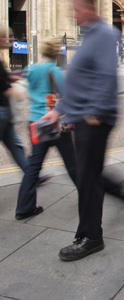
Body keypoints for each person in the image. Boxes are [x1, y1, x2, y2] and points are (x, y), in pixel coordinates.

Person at [44, 0, 124, 262]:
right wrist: (58, 111)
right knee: (87, 177)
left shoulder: (103, 34)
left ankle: (91, 237)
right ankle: (87, 233)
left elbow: (106, 76)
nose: (73, 13)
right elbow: (78, 83)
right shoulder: (90, 35)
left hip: (93, 120)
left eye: (76, 9)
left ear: (89, 7)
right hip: (81, 117)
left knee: (88, 179)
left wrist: (94, 112)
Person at [15, 39, 77, 220]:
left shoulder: (30, 69)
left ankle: (24, 207)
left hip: (34, 122)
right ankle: (89, 198)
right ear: (57, 54)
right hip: (53, 122)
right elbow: (66, 97)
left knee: (33, 166)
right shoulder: (54, 71)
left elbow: (27, 92)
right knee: (72, 165)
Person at [0, 26, 28, 172]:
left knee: (15, 146)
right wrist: (26, 97)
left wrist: (11, 78)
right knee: (15, 145)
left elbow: (3, 81)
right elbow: (4, 89)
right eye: (8, 36)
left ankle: (31, 176)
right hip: (1, 111)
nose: (11, 39)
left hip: (4, 113)